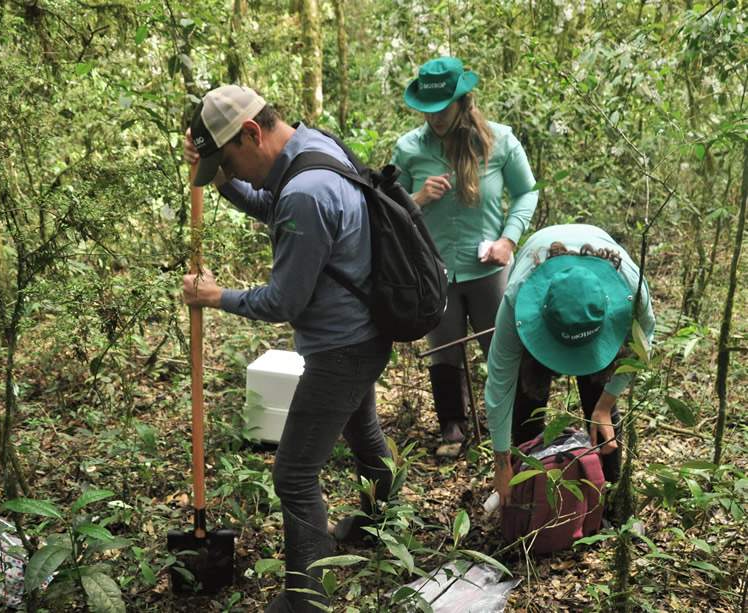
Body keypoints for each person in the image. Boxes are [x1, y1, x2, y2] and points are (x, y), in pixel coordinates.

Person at [181, 84, 393, 613]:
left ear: (251, 133)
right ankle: (379, 527)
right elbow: (266, 201)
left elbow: (284, 301)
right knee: (363, 433)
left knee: (294, 473)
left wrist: (216, 296)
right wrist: (220, 175)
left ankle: (307, 597)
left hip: (342, 349)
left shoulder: (305, 191)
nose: (237, 172)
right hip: (366, 334)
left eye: (231, 160)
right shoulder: (313, 147)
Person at [391, 57, 538, 457]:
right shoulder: (409, 148)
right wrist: (418, 198)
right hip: (434, 269)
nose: (434, 117)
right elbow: (387, 206)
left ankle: (511, 430)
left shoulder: (499, 141)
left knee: (502, 347)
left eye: (443, 108)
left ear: (462, 101)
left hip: (488, 267)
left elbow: (527, 191)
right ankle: (452, 429)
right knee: (443, 348)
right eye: (427, 108)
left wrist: (509, 239)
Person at [483, 224, 655, 506]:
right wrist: (501, 462)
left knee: (599, 401)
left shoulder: (630, 287)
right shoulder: (518, 297)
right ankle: (527, 485)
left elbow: (643, 343)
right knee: (528, 396)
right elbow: (500, 381)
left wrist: (605, 403)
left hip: (597, 311)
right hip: (544, 310)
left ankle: (610, 495)